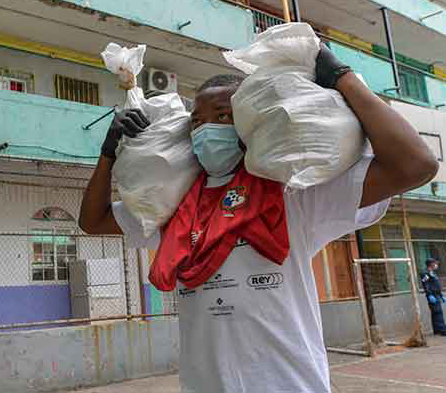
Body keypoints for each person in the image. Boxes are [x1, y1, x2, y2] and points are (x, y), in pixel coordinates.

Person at [79, 45, 438, 392]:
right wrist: (109, 151)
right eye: (197, 122)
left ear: (247, 125)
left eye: (222, 117)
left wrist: (343, 78)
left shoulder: (294, 192)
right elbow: (93, 221)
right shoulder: (174, 205)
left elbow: (416, 165)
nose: (206, 130)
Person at [422, 257, 446, 336]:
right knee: (437, 312)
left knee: (436, 313)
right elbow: (426, 285)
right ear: (431, 264)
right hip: (432, 295)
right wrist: (429, 295)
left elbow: (436, 285)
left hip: (436, 295)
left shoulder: (433, 273)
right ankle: (442, 330)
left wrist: (441, 295)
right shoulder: (425, 273)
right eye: (435, 263)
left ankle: (437, 330)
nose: (436, 265)